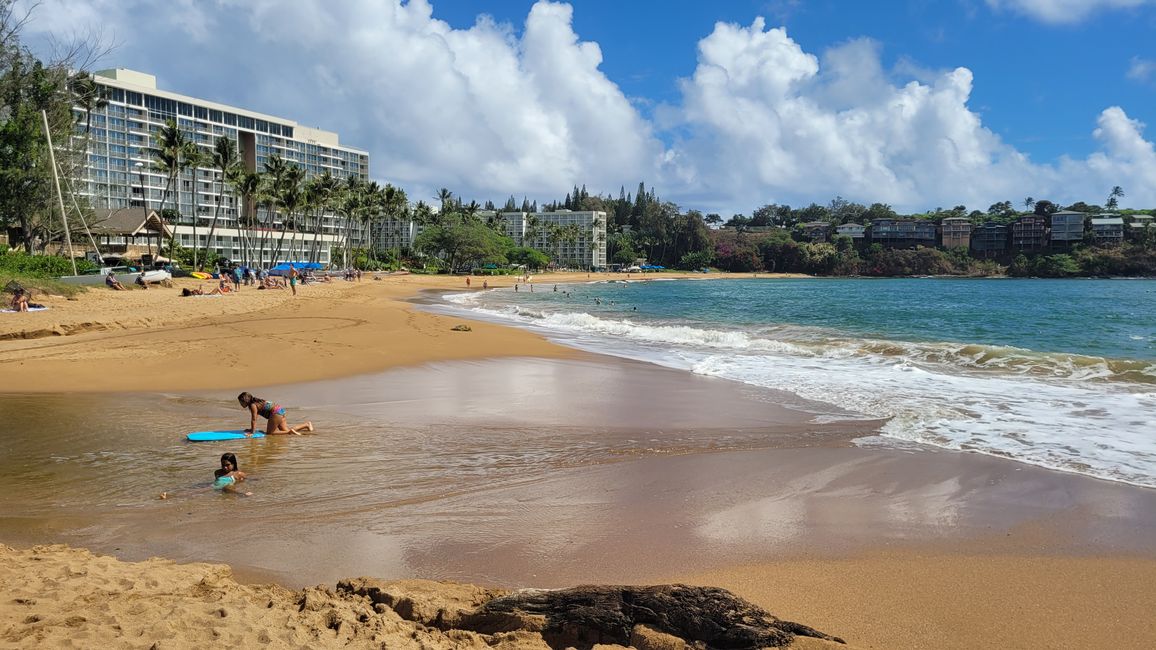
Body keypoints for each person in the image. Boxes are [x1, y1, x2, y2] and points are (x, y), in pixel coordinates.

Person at [237, 391, 313, 436]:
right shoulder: (256, 402)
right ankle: (306, 425)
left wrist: (252, 432)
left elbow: (253, 419)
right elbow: (256, 417)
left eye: (241, 402)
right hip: (280, 410)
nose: (240, 404)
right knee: (284, 431)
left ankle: (290, 432)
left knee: (270, 433)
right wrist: (251, 429)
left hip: (275, 413)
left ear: (245, 401)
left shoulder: (252, 405)